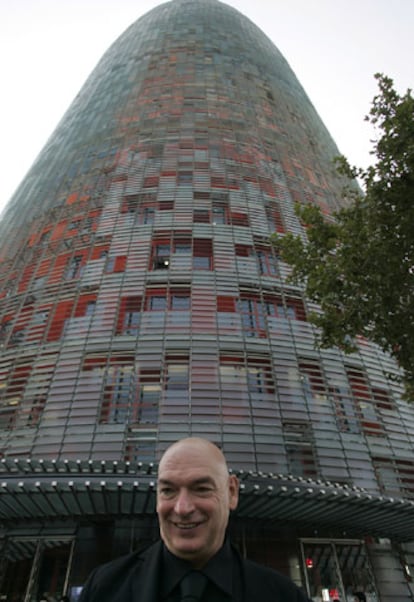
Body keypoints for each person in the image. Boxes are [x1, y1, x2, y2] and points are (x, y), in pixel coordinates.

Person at [79, 437, 312, 601]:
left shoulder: (282, 595)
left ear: (231, 492)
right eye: (168, 490)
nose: (182, 508)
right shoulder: (104, 587)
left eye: (201, 488)